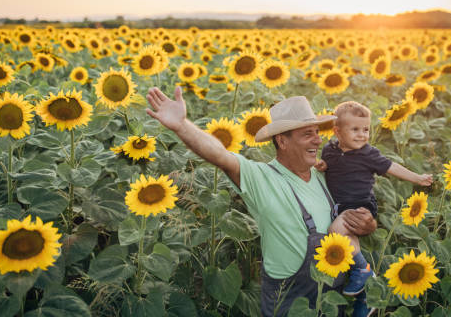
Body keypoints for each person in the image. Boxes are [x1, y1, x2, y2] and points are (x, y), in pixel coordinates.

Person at [146, 88, 377, 317]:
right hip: (288, 300)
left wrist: (368, 224)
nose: (318, 139)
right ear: (282, 141)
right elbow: (219, 155)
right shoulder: (261, 178)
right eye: (307, 134)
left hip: (331, 298)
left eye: (317, 132)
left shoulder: (326, 174)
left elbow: (359, 202)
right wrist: (181, 125)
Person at [315, 101, 433, 297]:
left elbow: (391, 167)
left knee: (335, 231)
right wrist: (323, 166)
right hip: (340, 205)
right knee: (349, 238)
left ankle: (362, 270)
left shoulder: (368, 154)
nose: (362, 134)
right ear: (337, 131)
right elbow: (332, 165)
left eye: (366, 129)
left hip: (360, 204)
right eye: (355, 129)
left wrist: (417, 178)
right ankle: (366, 290)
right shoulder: (330, 149)